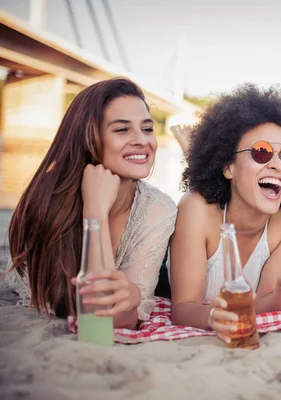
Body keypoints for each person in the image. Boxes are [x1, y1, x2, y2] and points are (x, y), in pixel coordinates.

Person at [5, 78, 177, 328]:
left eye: (147, 128)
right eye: (122, 129)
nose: (142, 140)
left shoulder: (159, 208)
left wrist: (131, 298)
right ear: (89, 136)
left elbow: (119, 322)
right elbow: (97, 320)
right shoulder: (47, 198)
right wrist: (95, 212)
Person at [168, 84, 281, 342]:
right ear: (228, 166)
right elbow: (182, 308)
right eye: (262, 153)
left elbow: (265, 302)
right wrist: (213, 317)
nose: (278, 165)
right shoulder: (195, 209)